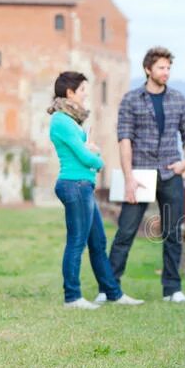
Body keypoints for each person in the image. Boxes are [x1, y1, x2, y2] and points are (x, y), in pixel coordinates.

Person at [103, 47, 185, 304]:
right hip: (140, 173)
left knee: (173, 232)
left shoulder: (178, 99)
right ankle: (109, 288)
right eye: (161, 68)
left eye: (168, 68)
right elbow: (124, 139)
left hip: (170, 172)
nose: (166, 72)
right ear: (148, 69)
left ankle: (172, 290)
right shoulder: (131, 99)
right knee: (126, 231)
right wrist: (129, 177)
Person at [48, 71, 143, 310]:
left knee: (98, 242)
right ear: (69, 93)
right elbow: (82, 156)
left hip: (82, 186)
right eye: (82, 91)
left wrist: (89, 149)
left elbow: (81, 150)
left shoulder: (70, 121)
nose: (85, 96)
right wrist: (98, 159)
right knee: (76, 242)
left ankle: (113, 292)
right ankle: (72, 296)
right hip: (75, 185)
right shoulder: (60, 120)